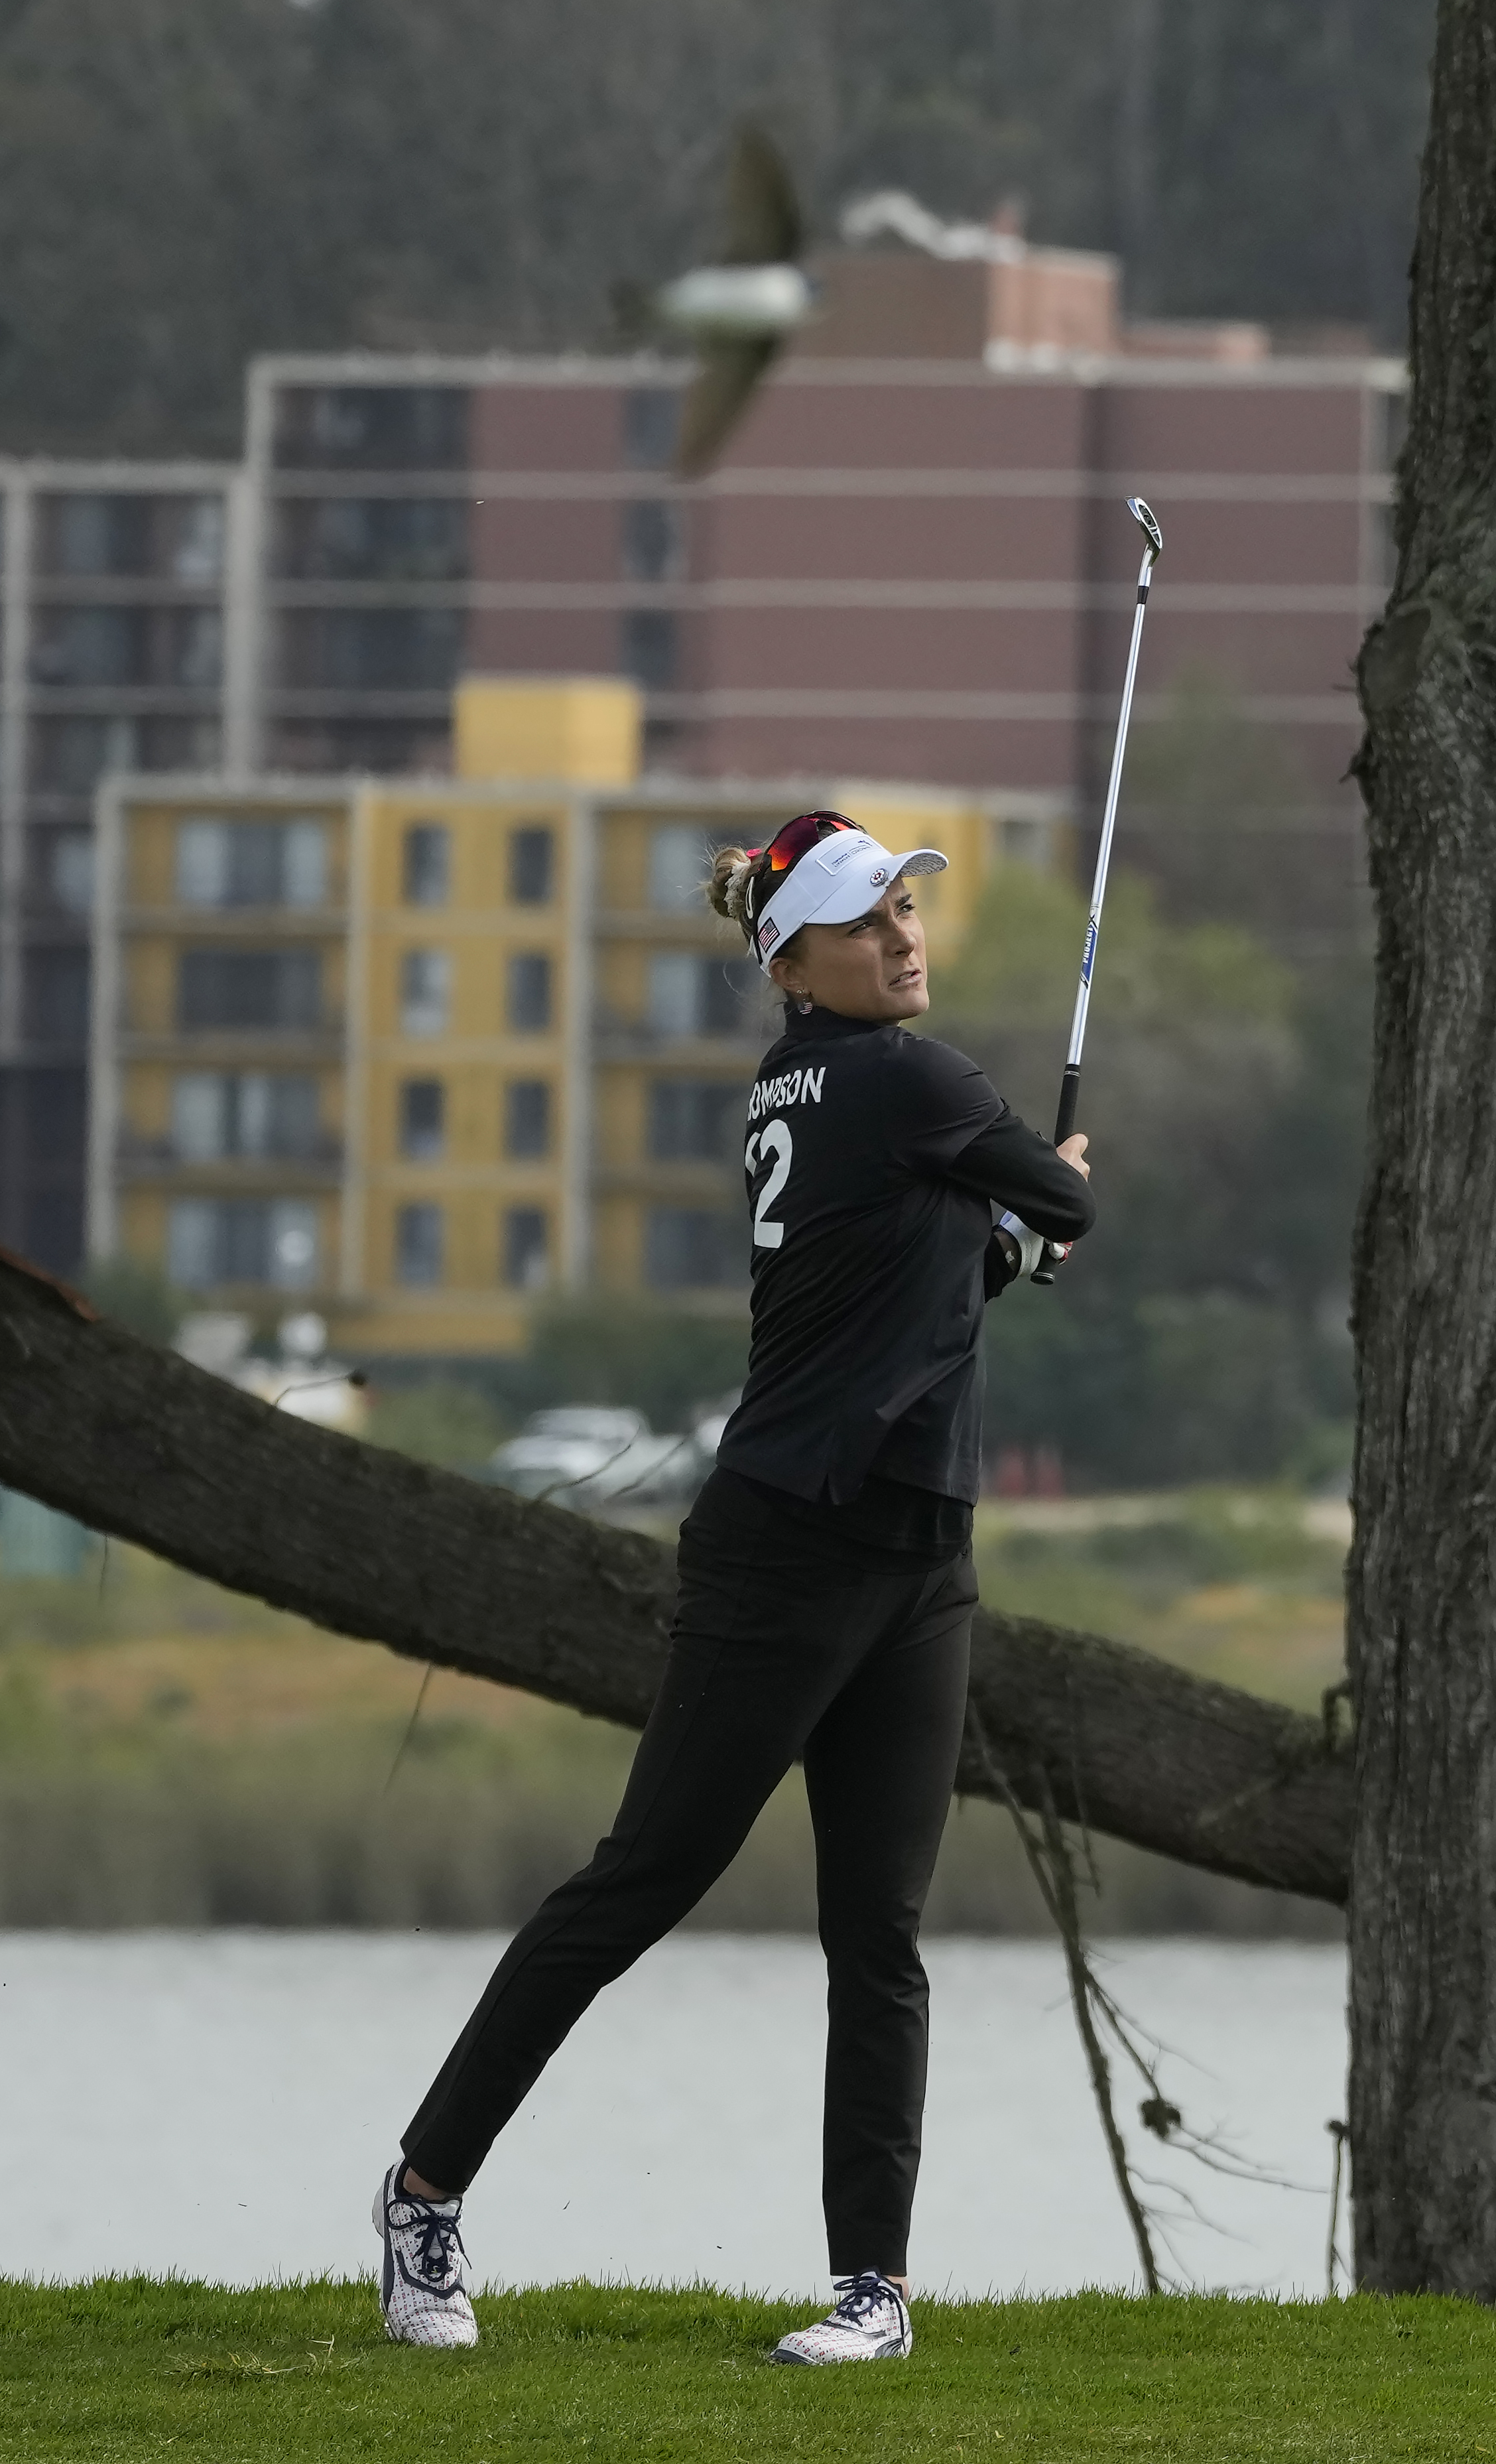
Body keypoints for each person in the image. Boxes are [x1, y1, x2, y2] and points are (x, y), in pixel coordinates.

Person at [371, 809, 1096, 2365]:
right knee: (640, 1880)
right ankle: (423, 2194)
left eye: (907, 903)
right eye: (867, 917)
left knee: (877, 1934)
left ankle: (872, 2292)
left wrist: (1015, 1243)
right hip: (787, 1550)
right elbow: (1068, 1199)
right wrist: (1049, 1202)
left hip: (918, 1557)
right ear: (797, 961)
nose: (905, 932)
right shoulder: (909, 1077)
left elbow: (942, 1274)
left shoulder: (820, 1087)